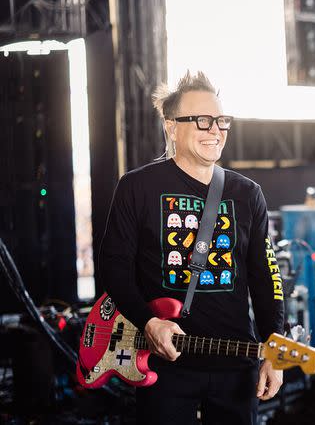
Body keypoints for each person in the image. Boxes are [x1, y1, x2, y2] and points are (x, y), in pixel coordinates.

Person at [98, 71, 284, 425]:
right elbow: (114, 268)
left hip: (235, 362)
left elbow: (268, 280)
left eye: (221, 120)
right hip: (164, 364)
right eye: (201, 120)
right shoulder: (137, 187)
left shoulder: (247, 193)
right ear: (172, 126)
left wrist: (275, 348)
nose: (215, 130)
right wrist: (149, 322)